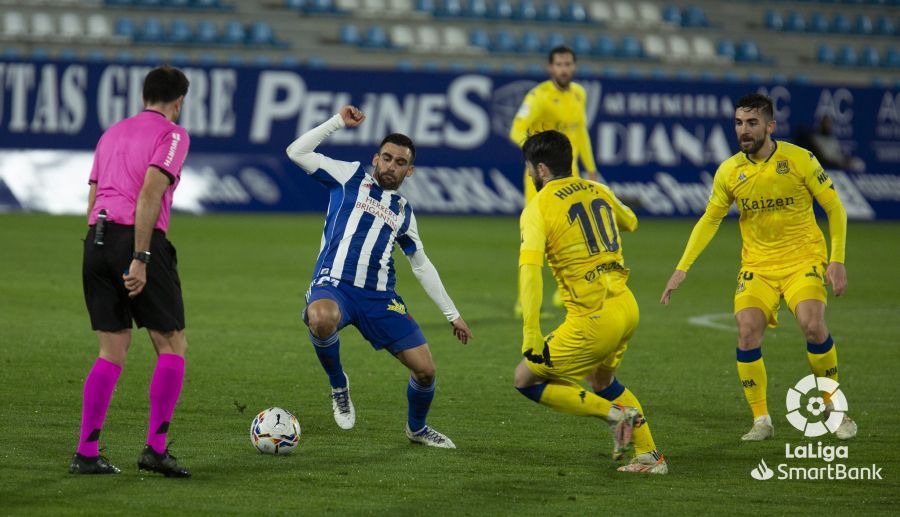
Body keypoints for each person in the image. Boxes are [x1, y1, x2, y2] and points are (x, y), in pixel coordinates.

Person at [661, 93, 857, 442]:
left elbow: (835, 208)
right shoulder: (730, 171)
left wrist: (837, 259)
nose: (744, 130)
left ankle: (833, 408)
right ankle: (761, 420)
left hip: (802, 260)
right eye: (739, 123)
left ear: (770, 126)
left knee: (813, 326)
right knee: (747, 331)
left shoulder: (800, 159)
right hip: (758, 266)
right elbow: (709, 220)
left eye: (752, 123)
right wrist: (682, 268)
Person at [286, 105, 473, 449]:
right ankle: (338, 384)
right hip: (335, 286)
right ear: (376, 157)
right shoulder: (348, 175)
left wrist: (453, 314)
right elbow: (295, 152)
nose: (391, 166)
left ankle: (416, 429)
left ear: (410, 171)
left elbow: (421, 264)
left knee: (426, 371)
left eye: (400, 163)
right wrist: (338, 122)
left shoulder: (403, 212)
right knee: (320, 318)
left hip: (379, 298)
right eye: (387, 158)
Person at [513, 130, 667, 474]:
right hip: (627, 308)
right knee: (602, 382)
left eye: (528, 168)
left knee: (526, 378)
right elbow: (631, 221)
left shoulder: (537, 207)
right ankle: (649, 457)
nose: (527, 175)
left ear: (540, 169)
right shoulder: (598, 189)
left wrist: (531, 331)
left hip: (592, 318)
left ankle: (614, 416)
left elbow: (530, 272)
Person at [71, 66, 192, 477]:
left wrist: (98, 248)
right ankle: (155, 450)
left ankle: (86, 453)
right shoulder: (172, 134)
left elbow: (92, 195)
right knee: (172, 343)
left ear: (144, 96)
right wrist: (140, 256)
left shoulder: (112, 134)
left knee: (111, 352)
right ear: (178, 102)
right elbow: (150, 192)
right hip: (134, 239)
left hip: (96, 239)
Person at [510, 45, 600, 315]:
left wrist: (591, 168)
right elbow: (516, 130)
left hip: (569, 177)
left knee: (571, 233)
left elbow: (581, 131)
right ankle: (524, 302)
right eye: (559, 64)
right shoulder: (538, 97)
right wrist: (538, 156)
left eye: (568, 64)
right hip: (540, 179)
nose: (564, 69)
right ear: (551, 68)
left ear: (574, 66)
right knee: (535, 236)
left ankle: (565, 291)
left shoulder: (579, 94)